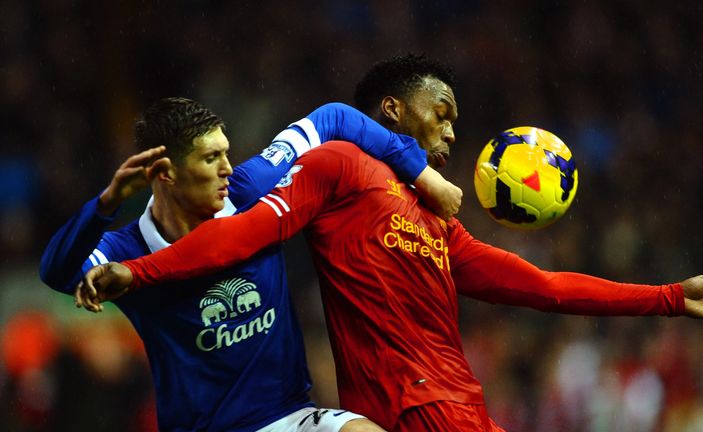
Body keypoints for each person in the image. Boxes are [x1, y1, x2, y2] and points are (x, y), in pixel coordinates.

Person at [78, 56, 703, 431]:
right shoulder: (336, 169)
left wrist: (670, 296)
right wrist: (139, 275)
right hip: (406, 410)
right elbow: (238, 237)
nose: (455, 131)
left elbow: (545, 288)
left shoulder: (438, 224)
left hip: (464, 408)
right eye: (444, 111)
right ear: (395, 112)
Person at [40, 96, 463, 432]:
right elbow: (58, 272)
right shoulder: (126, 250)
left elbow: (333, 118)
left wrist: (425, 177)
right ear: (165, 173)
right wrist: (106, 203)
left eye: (226, 153)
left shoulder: (250, 190)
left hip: (292, 416)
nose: (228, 168)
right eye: (210, 159)